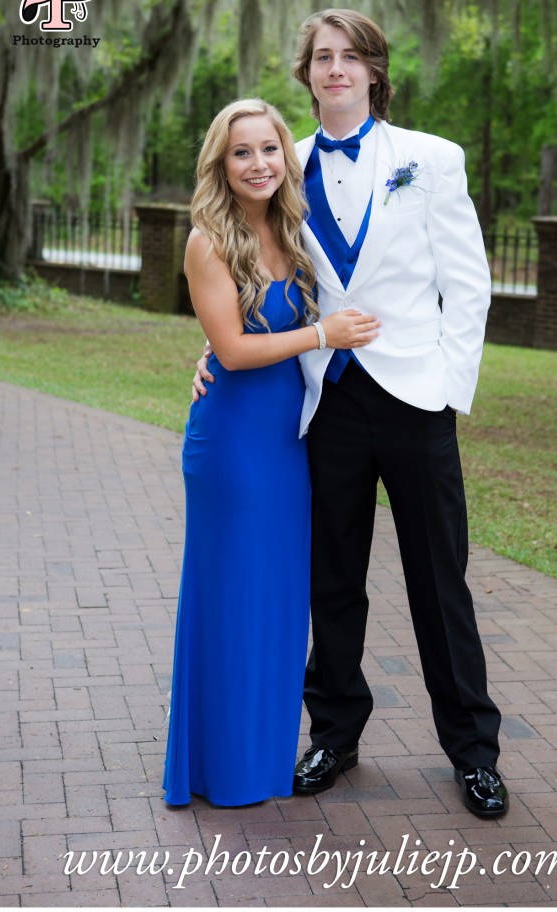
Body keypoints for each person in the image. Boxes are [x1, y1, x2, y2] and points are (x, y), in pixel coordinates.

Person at [194, 10, 508, 818]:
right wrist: (215, 351)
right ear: (306, 72)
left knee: (440, 580)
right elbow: (244, 275)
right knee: (331, 581)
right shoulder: (277, 163)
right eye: (321, 57)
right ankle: (334, 732)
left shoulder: (431, 160)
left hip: (413, 399)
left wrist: (449, 389)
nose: (335, 69)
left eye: (350, 57)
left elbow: (468, 285)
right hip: (323, 403)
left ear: (374, 70)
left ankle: (472, 751)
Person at [162, 97, 380, 807]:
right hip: (232, 449)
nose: (258, 164)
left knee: (278, 603)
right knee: (232, 601)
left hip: (290, 448)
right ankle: (220, 769)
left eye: (268, 149)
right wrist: (323, 336)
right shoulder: (209, 240)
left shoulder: (297, 229)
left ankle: (259, 759)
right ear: (220, 165)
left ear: (288, 157)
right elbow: (231, 348)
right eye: (241, 152)